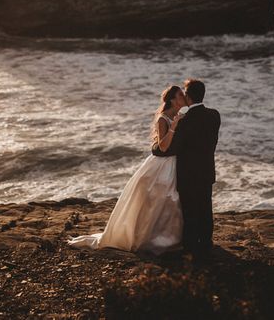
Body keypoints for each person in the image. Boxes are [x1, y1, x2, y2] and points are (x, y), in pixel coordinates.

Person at [68, 85, 187, 254]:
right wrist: (174, 126)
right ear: (173, 100)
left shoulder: (178, 116)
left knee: (172, 202)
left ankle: (169, 238)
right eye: (181, 95)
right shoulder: (164, 119)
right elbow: (163, 146)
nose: (184, 97)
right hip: (161, 165)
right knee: (163, 200)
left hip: (174, 164)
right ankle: (152, 240)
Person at [153, 79, 220, 259]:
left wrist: (154, 148)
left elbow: (170, 149)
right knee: (206, 209)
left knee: (190, 211)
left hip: (188, 173)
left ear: (188, 97)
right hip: (206, 170)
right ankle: (206, 243)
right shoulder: (215, 115)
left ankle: (191, 247)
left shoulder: (184, 121)